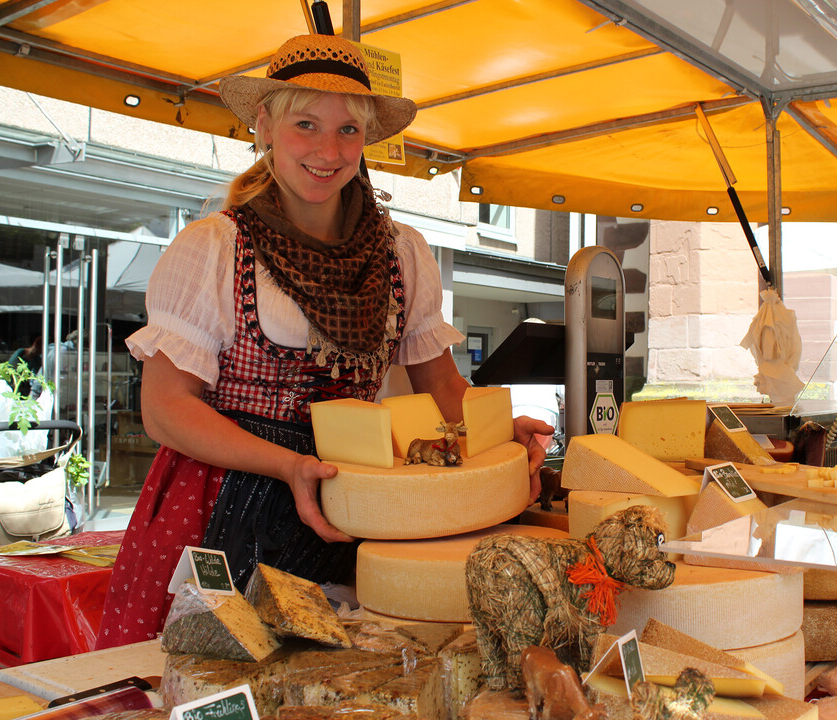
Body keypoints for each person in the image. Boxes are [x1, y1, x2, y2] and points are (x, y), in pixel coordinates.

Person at [96, 33, 553, 648]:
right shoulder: (215, 248)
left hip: (354, 494)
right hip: (228, 491)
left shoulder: (401, 254)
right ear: (264, 125)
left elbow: (441, 384)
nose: (327, 150)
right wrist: (289, 465)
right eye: (306, 124)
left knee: (346, 682)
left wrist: (499, 432)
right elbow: (166, 410)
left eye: (347, 132)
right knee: (218, 679)